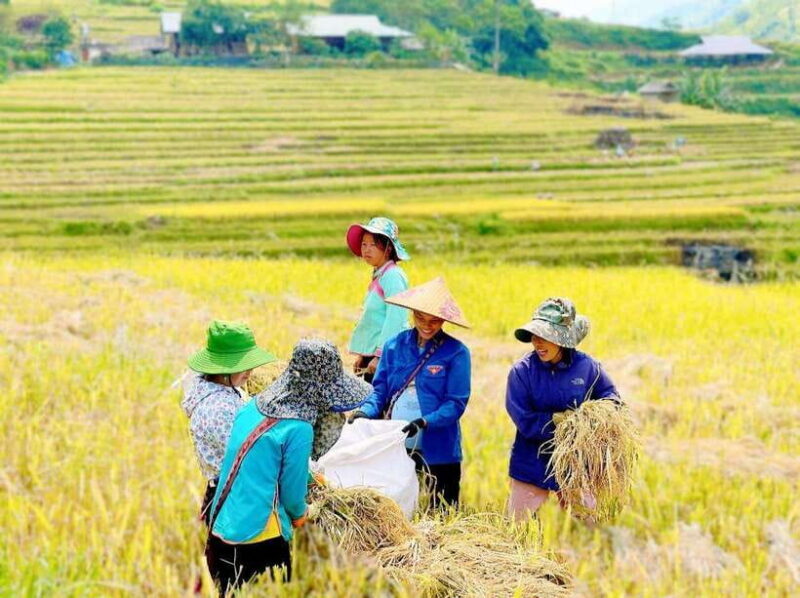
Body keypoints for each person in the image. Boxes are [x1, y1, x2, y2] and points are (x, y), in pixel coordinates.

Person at [204, 339, 371, 597]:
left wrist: (312, 478)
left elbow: (265, 461)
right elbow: (292, 495)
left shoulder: (254, 406)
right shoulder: (298, 427)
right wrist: (302, 515)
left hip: (222, 525)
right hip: (258, 535)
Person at [348, 277, 471, 508]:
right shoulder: (394, 346)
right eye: (421, 318)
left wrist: (424, 422)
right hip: (397, 443)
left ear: (444, 320)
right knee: (397, 508)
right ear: (413, 314)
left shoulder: (456, 352)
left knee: (441, 510)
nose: (427, 326)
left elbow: (455, 403)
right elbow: (380, 390)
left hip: (439, 449)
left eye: (434, 321)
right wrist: (364, 412)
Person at [505, 297, 620, 522]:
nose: (538, 343)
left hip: (576, 463)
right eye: (535, 336)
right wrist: (559, 422)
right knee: (518, 527)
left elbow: (612, 399)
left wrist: (592, 420)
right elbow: (524, 419)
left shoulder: (587, 367)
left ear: (562, 338)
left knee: (586, 527)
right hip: (532, 460)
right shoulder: (522, 372)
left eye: (545, 337)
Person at [182, 320, 277, 526]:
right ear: (223, 368)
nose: (250, 372)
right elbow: (248, 457)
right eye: (242, 366)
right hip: (235, 499)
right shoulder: (218, 409)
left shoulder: (222, 389)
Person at [346, 217, 411, 383]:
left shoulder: (393, 276)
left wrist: (381, 356)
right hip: (374, 356)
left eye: (373, 245)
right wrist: (364, 356)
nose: (366, 250)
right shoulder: (380, 275)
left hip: (387, 357)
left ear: (388, 248)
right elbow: (375, 320)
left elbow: (395, 319)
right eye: (364, 244)